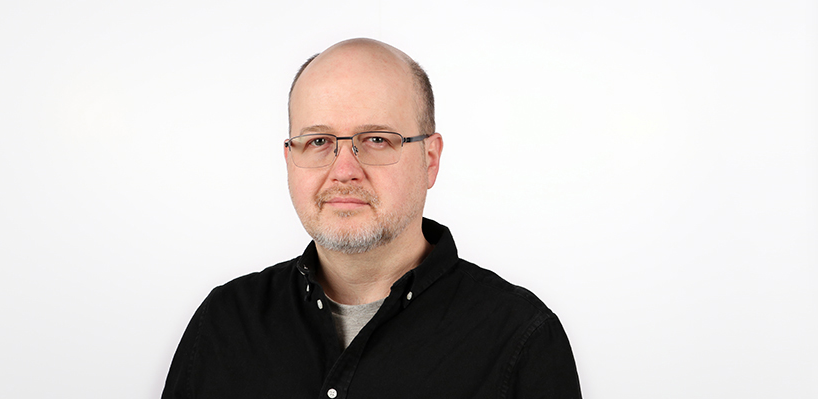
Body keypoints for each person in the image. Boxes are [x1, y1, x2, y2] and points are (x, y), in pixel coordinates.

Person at [162, 38, 581, 398]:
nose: (344, 169)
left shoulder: (520, 338)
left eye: (377, 139)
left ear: (429, 160)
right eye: (319, 141)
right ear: (289, 159)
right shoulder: (224, 324)